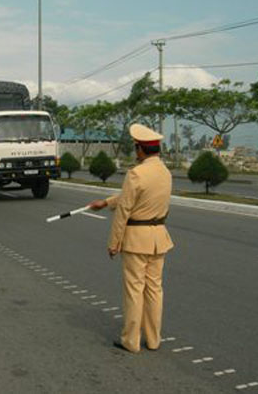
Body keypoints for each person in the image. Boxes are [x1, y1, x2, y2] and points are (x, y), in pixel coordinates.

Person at [88, 123, 174, 353]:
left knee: (134, 290)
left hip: (137, 239)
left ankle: (131, 341)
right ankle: (154, 340)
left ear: (140, 149)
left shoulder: (136, 173)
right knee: (155, 290)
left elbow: (125, 209)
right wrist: (105, 202)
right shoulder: (165, 172)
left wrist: (114, 243)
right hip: (159, 238)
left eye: (136, 148)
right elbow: (131, 197)